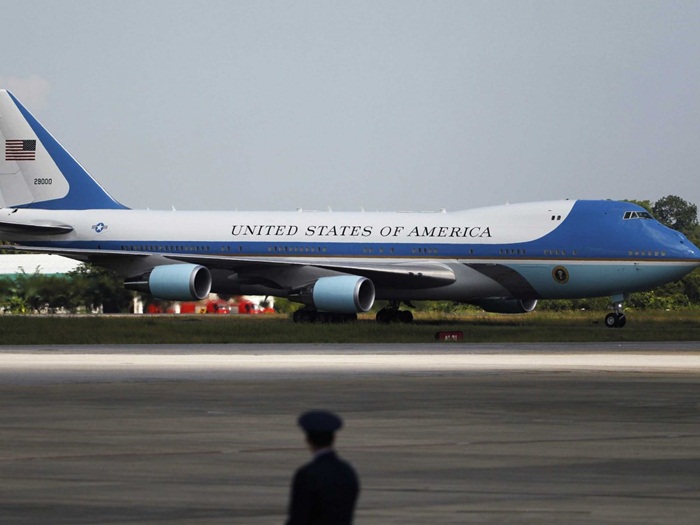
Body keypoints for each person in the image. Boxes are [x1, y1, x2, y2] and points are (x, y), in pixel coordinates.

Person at [286, 410, 360, 525]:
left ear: (308, 440)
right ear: (334, 438)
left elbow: (299, 517)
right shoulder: (347, 471)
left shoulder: (307, 474)